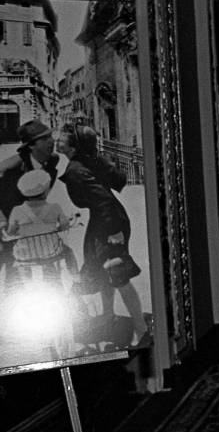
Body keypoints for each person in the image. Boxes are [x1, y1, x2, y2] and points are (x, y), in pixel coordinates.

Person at [57, 124, 147, 346]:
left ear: (73, 146)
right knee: (104, 270)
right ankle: (108, 315)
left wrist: (114, 232)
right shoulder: (86, 161)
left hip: (109, 222)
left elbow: (103, 201)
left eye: (61, 139)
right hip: (105, 220)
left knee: (118, 274)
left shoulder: (76, 170)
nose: (57, 141)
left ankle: (142, 330)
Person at [0, 120, 60, 283]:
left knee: (51, 267)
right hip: (7, 227)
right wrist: (2, 223)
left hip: (32, 227)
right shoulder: (9, 169)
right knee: (13, 273)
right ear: (32, 146)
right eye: (45, 138)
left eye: (50, 136)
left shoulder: (52, 160)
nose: (51, 141)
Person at [3, 169, 70, 263]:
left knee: (15, 256)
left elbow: (11, 232)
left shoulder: (17, 210)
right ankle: (74, 274)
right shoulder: (55, 207)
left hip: (24, 253)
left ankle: (23, 273)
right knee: (68, 252)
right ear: (46, 190)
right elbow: (65, 226)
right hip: (51, 251)